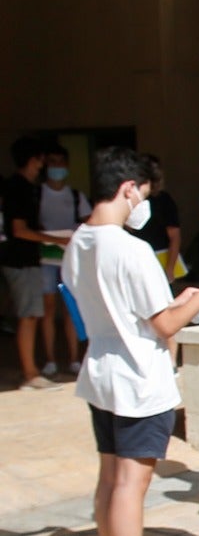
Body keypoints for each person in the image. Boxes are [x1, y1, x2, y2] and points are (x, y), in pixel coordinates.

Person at [64, 147, 199, 536]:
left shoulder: (79, 242)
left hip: (102, 372)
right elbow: (165, 324)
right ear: (129, 187)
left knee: (111, 479)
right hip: (138, 378)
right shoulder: (131, 250)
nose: (142, 205)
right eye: (142, 195)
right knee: (131, 486)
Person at [4, 137, 62, 389]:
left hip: (27, 259)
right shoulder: (17, 187)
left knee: (33, 314)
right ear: (33, 159)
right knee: (29, 315)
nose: (44, 165)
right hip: (20, 260)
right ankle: (30, 373)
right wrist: (51, 240)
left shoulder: (25, 186)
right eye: (42, 160)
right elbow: (19, 229)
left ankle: (31, 371)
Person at [38, 143, 91, 378]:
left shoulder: (75, 195)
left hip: (69, 259)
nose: (56, 167)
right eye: (52, 162)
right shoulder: (37, 193)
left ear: (67, 166)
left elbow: (89, 221)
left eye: (61, 162)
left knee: (71, 308)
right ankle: (49, 359)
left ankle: (73, 358)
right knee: (48, 309)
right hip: (44, 258)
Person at [126, 156, 185, 282]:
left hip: (159, 259)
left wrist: (170, 268)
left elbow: (175, 236)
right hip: (132, 259)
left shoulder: (164, 200)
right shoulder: (128, 198)